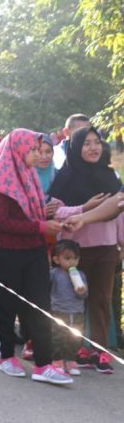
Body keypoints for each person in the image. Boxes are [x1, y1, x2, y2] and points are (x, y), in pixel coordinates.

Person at [0, 129, 73, 386]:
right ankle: (5, 356)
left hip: (33, 249)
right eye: (33, 150)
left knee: (41, 306)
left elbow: (37, 214)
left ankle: (43, 364)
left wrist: (54, 223)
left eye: (40, 150)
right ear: (18, 150)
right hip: (5, 251)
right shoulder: (0, 183)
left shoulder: (30, 176)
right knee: (6, 306)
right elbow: (3, 223)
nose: (37, 155)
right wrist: (41, 227)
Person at [48, 126, 121, 373]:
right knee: (71, 301)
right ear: (76, 148)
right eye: (87, 143)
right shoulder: (65, 176)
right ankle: (70, 349)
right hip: (73, 252)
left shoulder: (111, 176)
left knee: (101, 300)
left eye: (97, 142)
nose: (93, 148)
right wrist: (82, 208)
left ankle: (99, 351)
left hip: (106, 248)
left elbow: (119, 212)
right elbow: (54, 212)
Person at [49, 239, 87, 376]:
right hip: (59, 311)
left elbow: (84, 295)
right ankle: (57, 360)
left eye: (75, 258)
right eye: (67, 258)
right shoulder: (54, 273)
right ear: (56, 259)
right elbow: (47, 288)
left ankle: (71, 360)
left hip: (77, 312)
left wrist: (82, 291)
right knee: (57, 336)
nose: (72, 262)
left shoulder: (81, 275)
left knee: (75, 337)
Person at [36, 134, 57, 199]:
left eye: (48, 152)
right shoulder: (25, 178)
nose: (44, 157)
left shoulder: (59, 175)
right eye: (39, 152)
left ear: (53, 152)